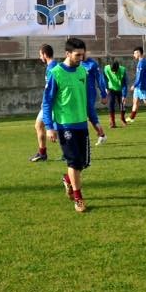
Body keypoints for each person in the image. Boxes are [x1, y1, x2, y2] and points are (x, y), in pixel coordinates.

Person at [42, 37, 100, 213]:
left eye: (83, 55)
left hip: (82, 124)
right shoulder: (56, 73)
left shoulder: (83, 72)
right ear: (67, 53)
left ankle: (68, 180)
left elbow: (88, 101)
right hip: (65, 125)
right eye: (77, 55)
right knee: (74, 162)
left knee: (82, 163)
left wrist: (95, 122)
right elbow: (47, 101)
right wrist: (49, 126)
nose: (81, 58)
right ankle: (78, 198)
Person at [29, 45, 59, 162]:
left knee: (57, 131)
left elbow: (54, 88)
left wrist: (48, 103)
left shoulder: (53, 68)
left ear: (45, 55)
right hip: (48, 103)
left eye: (40, 54)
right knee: (38, 125)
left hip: (53, 104)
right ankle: (42, 153)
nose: (39, 57)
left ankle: (70, 153)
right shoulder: (51, 67)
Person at [81, 54, 109, 145]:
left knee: (91, 116)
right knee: (85, 117)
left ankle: (102, 135)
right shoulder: (76, 64)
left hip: (89, 94)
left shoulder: (92, 64)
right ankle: (101, 135)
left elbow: (100, 79)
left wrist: (104, 95)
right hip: (78, 94)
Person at [103, 60, 129, 128]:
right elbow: (105, 78)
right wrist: (106, 87)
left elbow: (124, 84)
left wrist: (124, 95)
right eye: (112, 70)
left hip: (120, 89)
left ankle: (122, 119)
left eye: (115, 70)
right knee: (111, 103)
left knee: (122, 104)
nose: (114, 72)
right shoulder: (106, 68)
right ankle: (112, 122)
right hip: (111, 88)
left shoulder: (123, 70)